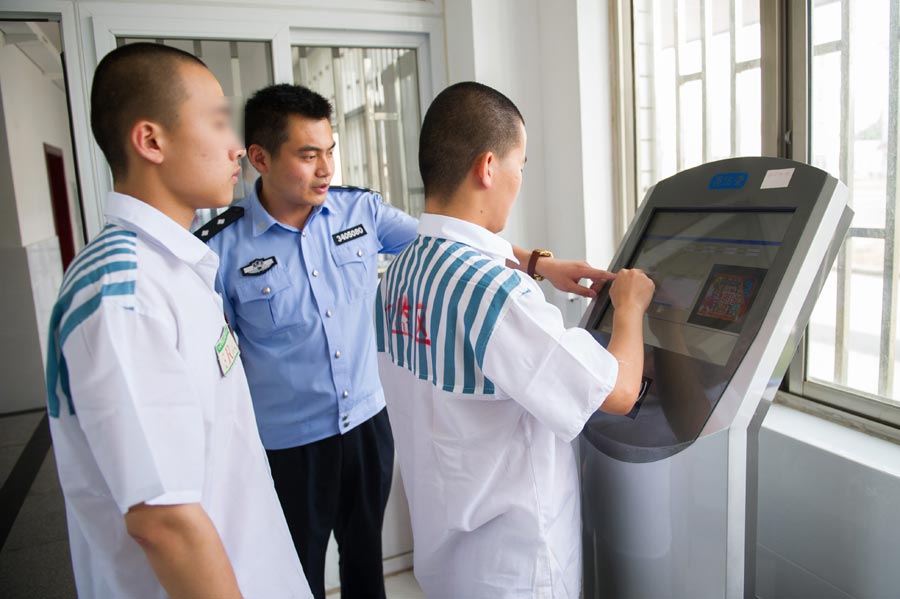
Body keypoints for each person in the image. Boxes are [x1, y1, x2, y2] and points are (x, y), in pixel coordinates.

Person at [196, 83, 613, 598]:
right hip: (289, 442)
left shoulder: (359, 212)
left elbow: (446, 240)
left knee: (365, 561)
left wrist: (539, 264)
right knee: (297, 569)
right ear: (260, 158)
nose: (326, 169)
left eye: (330, 151)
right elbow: (219, 364)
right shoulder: (221, 248)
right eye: (308, 155)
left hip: (366, 422)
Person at [45, 43, 312, 599]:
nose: (237, 147)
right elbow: (163, 523)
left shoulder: (173, 268)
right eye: (217, 122)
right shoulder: (125, 294)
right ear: (151, 141)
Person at [375, 81, 656, 598]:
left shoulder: (400, 271)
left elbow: (467, 265)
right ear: (488, 167)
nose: (519, 180)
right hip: (515, 569)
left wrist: (538, 264)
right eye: (519, 166)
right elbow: (618, 392)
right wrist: (631, 307)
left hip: (447, 560)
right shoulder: (497, 295)